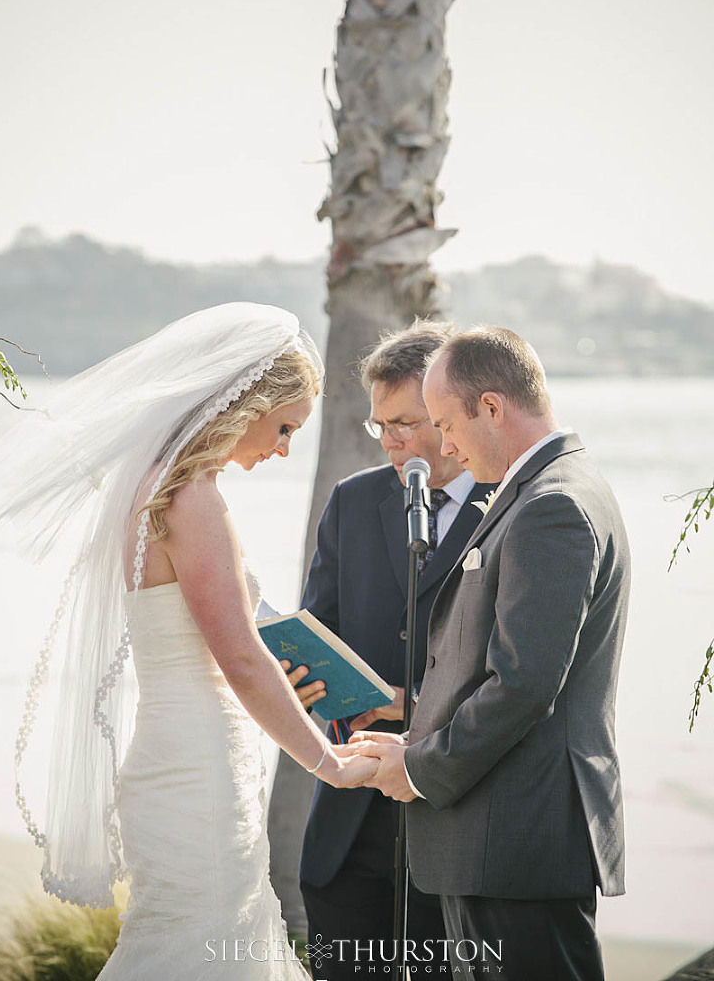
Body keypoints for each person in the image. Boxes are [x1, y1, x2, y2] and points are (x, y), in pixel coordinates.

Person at [0, 303, 377, 980]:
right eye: (285, 426)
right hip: (200, 768)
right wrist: (329, 763)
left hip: (176, 754)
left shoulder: (153, 491)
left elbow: (216, 644)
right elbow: (237, 658)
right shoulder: (192, 498)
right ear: (244, 400)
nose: (284, 448)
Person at [351, 326, 630, 981]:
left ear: (494, 407)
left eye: (447, 423)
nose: (442, 445)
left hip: (514, 843)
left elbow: (524, 686)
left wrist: (419, 768)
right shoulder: (546, 488)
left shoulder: (551, 506)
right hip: (497, 840)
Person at [289, 321, 498, 980]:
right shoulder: (352, 501)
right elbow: (320, 629)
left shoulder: (514, 508)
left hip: (460, 824)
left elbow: (522, 673)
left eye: (407, 422)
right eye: (380, 425)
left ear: (450, 409)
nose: (392, 441)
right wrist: (306, 679)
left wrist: (417, 710)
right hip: (349, 829)